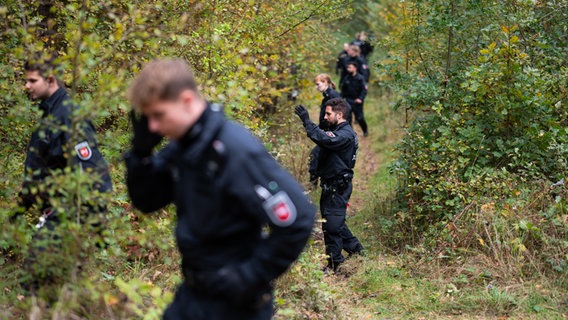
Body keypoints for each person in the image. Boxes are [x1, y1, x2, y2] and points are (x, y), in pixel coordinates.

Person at [124, 58, 315, 319]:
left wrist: (249, 276)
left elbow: (298, 217)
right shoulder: (184, 147)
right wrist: (141, 155)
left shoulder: (235, 150)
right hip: (194, 295)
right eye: (149, 118)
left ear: (187, 100)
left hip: (236, 304)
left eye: (158, 115)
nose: (154, 126)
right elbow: (148, 201)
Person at [13, 53, 112, 291]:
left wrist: (94, 226)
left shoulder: (69, 117)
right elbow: (42, 169)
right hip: (53, 215)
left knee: (33, 285)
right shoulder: (49, 115)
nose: (26, 86)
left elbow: (92, 173)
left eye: (32, 81)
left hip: (66, 219)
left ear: (50, 80)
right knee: (54, 291)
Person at [294, 98, 364, 272]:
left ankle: (335, 264)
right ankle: (356, 249)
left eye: (328, 114)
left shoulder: (345, 134)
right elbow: (321, 143)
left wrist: (307, 122)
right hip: (330, 186)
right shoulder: (337, 130)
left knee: (331, 226)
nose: (325, 117)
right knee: (334, 222)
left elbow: (326, 140)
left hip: (337, 186)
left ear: (339, 115)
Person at [309, 74, 344, 187]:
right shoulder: (327, 95)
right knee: (320, 156)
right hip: (328, 132)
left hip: (332, 133)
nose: (316, 87)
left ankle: (313, 185)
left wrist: (331, 132)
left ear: (326, 82)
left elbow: (338, 115)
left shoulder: (332, 96)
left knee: (315, 155)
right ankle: (319, 184)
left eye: (318, 84)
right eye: (316, 84)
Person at [341, 62, 369, 137]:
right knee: (348, 118)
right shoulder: (347, 78)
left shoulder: (360, 78)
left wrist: (360, 99)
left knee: (360, 118)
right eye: (348, 68)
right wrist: (341, 99)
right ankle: (351, 134)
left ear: (355, 68)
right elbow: (343, 90)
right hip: (348, 100)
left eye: (350, 67)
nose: (348, 69)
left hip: (357, 101)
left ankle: (365, 130)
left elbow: (364, 90)